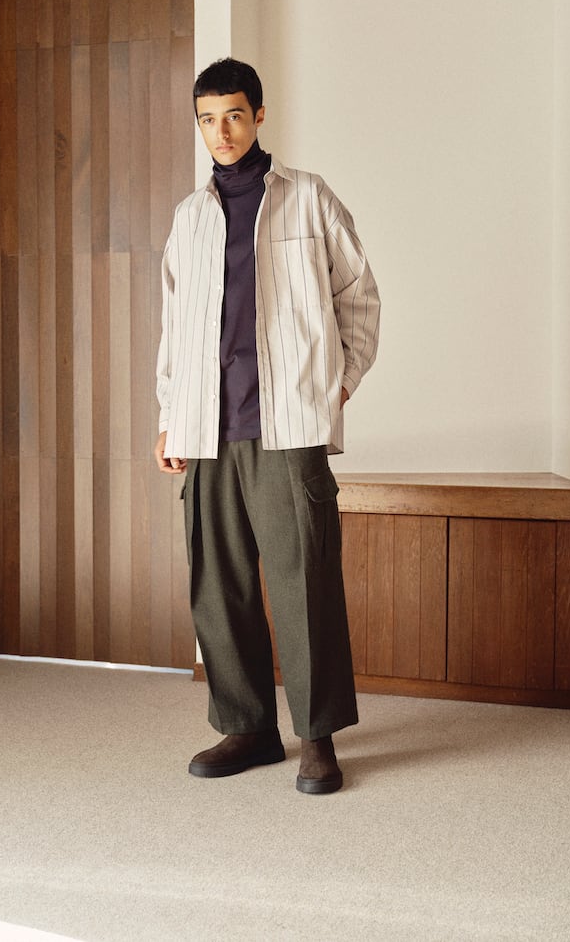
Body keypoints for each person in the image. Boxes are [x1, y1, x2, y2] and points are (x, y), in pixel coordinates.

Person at [154, 58, 380, 794]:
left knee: (303, 582)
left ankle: (317, 737)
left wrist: (336, 386)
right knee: (218, 587)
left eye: (233, 115)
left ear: (258, 115)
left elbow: (359, 296)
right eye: (207, 119)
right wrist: (169, 417)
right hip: (206, 429)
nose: (220, 131)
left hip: (286, 427)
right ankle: (248, 727)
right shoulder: (189, 218)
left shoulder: (307, 197)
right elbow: (175, 326)